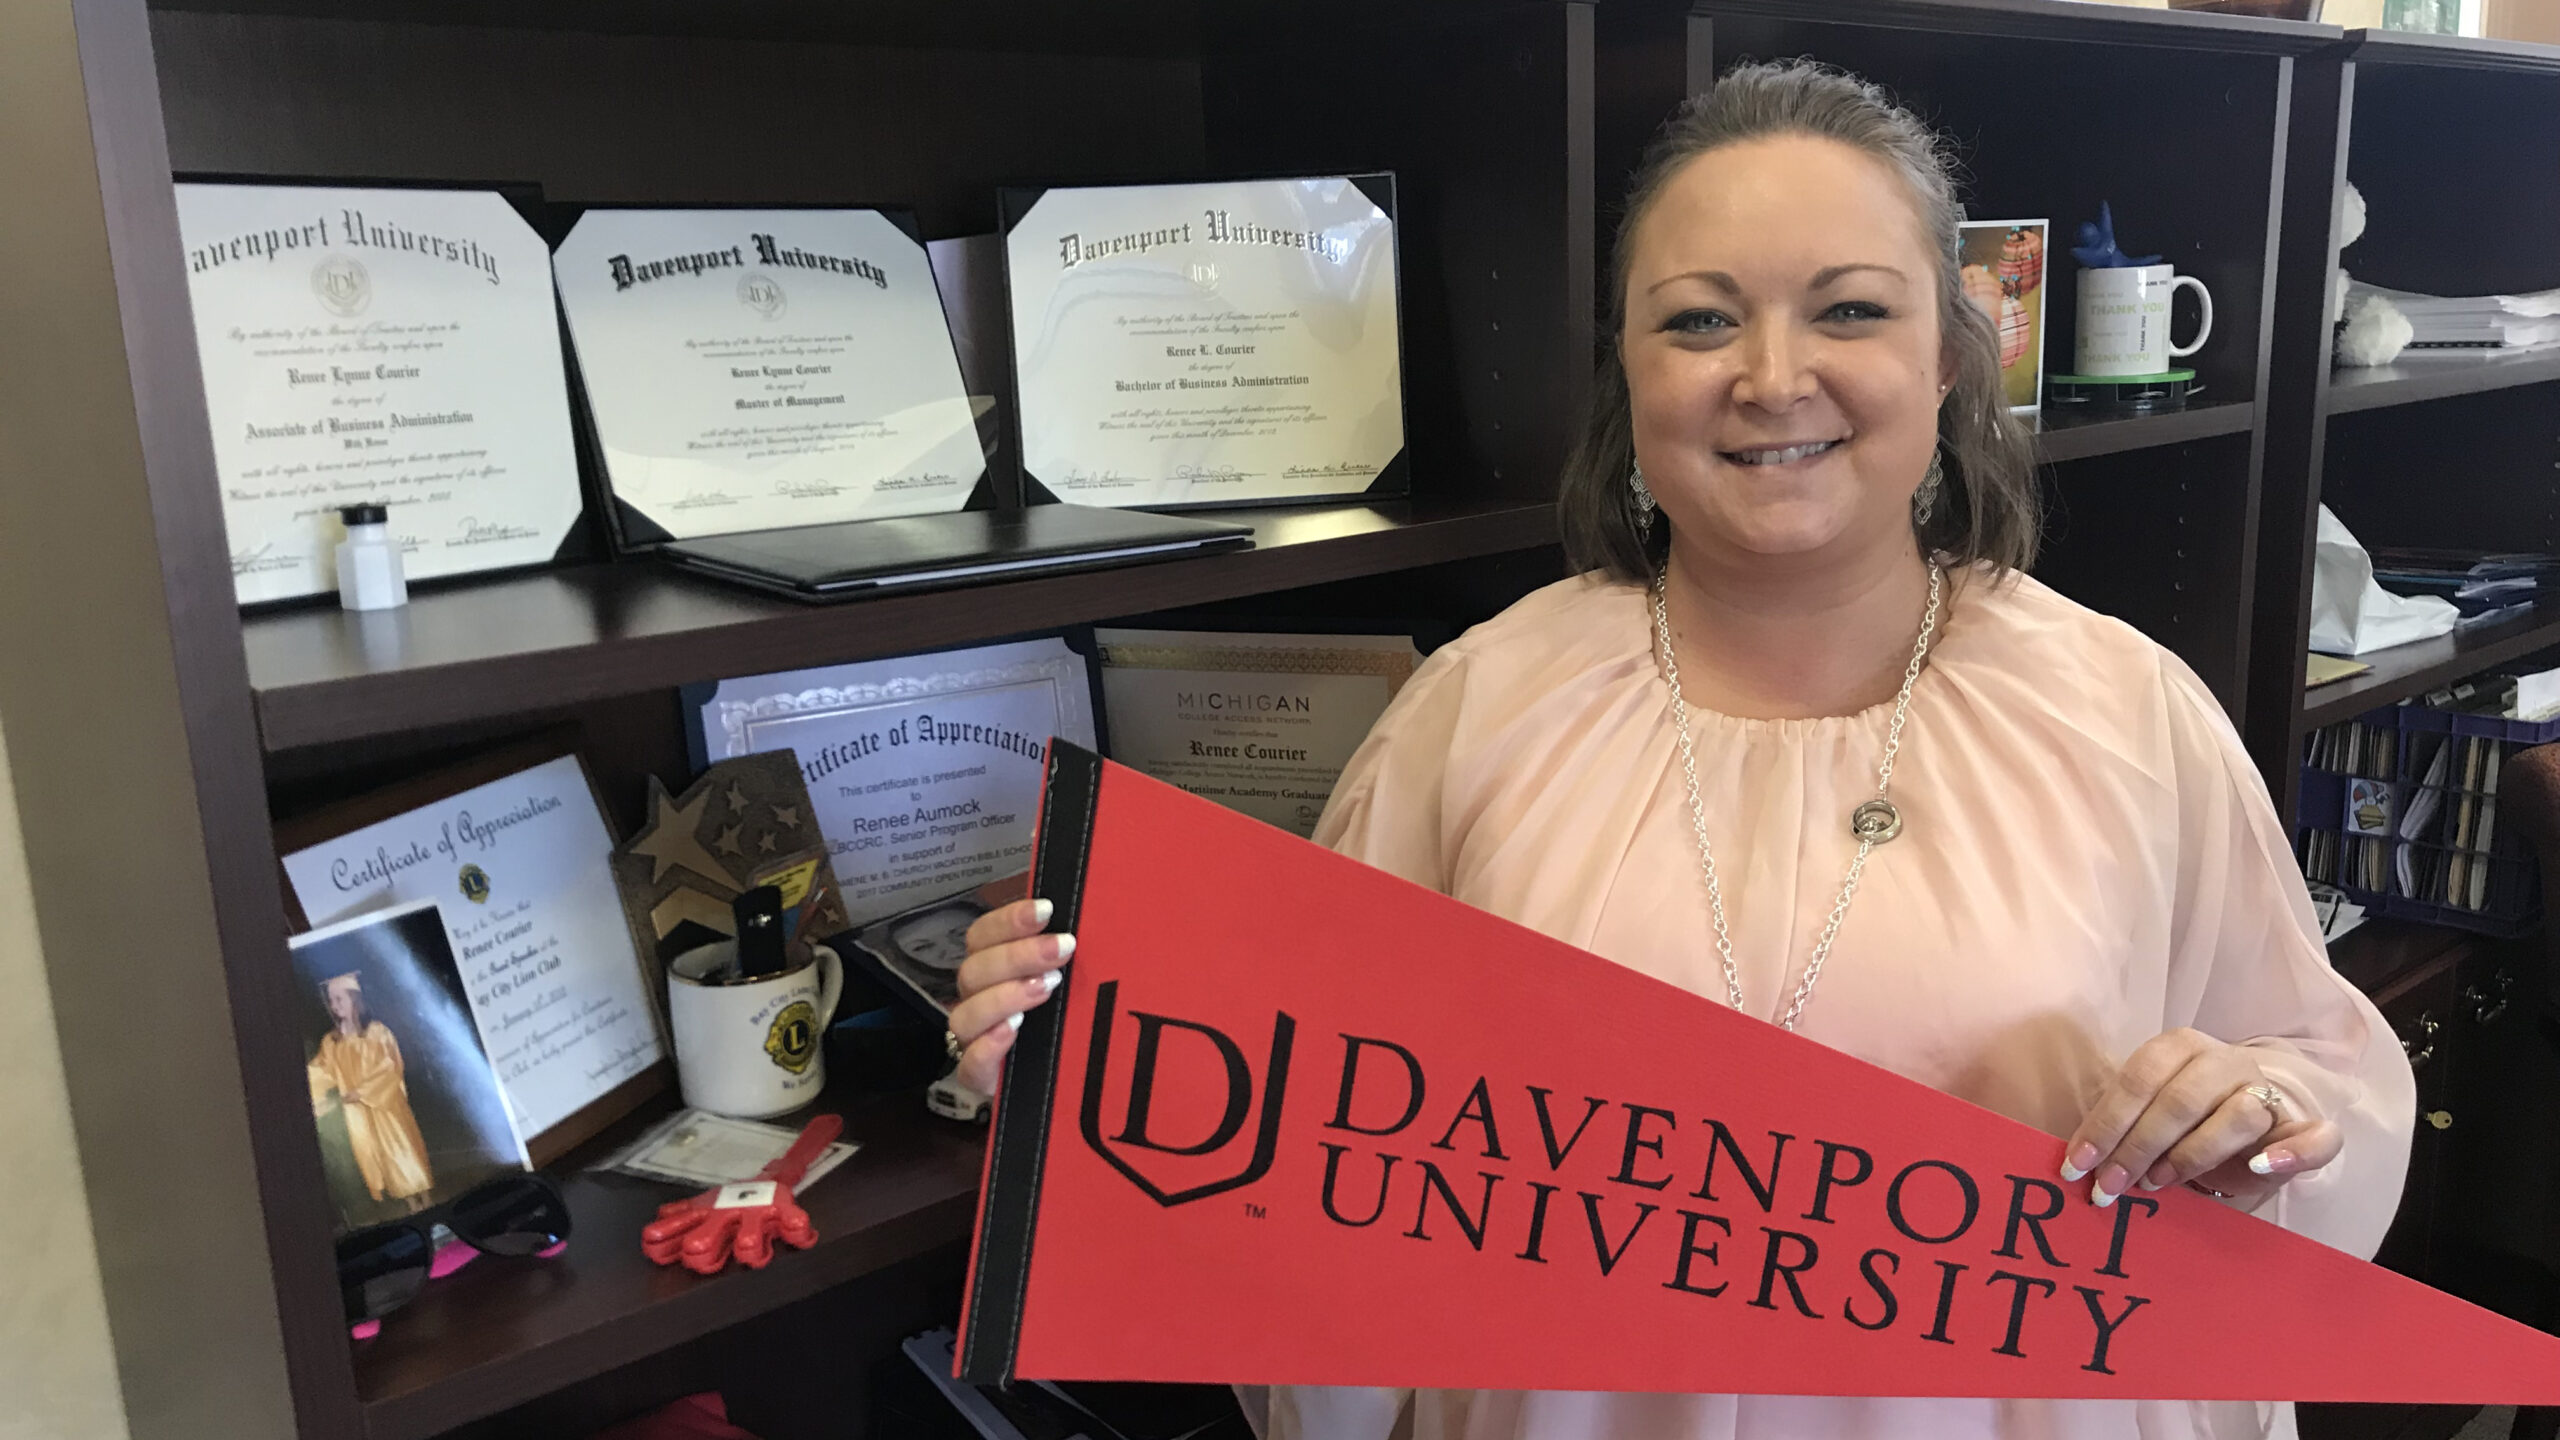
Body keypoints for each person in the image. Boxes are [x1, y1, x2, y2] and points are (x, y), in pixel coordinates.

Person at [948, 60, 2414, 1440]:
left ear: (1951, 358)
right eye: (1700, 321)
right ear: (1629, 374)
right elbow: (1305, 1175)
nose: (1771, 377)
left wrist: (2265, 1122)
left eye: (1850, 310)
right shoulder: (1475, 713)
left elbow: (2313, 1074)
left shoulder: (2124, 712)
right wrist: (1095, 1074)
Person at [308, 971, 436, 1214]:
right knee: (382, 1157)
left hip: (386, 1106)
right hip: (359, 1113)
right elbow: (321, 1071)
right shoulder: (332, 1042)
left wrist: (362, 1091)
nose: (335, 1006)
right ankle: (411, 1206)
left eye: (340, 999)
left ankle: (427, 1201)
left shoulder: (377, 1032)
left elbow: (390, 1066)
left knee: (403, 1151)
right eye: (331, 1000)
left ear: (355, 999)